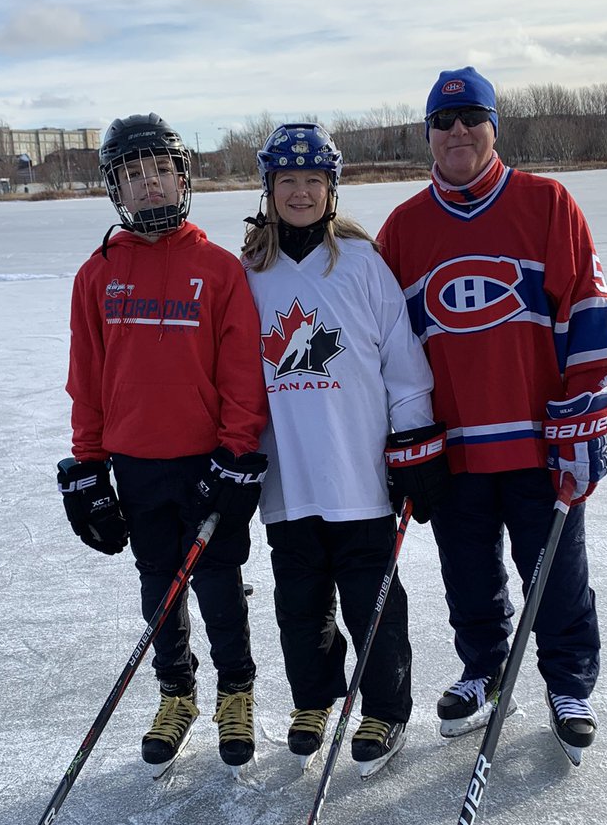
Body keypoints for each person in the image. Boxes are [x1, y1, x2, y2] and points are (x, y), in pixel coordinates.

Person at [378, 68, 607, 762]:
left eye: (471, 119)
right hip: (452, 446)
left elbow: (588, 315)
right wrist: (399, 439)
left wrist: (587, 418)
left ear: (493, 128)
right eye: (443, 123)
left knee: (557, 573)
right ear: (428, 135)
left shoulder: (546, 204)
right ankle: (483, 670)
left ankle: (568, 682)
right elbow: (387, 348)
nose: (457, 133)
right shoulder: (404, 229)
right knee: (467, 573)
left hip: (539, 439)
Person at [58, 112, 268, 774]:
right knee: (159, 589)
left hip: (206, 464)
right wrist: (88, 466)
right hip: (135, 465)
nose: (148, 184)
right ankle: (176, 695)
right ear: (115, 186)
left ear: (183, 177)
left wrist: (238, 454)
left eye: (159, 171)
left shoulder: (218, 270)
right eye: (132, 174)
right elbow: (87, 378)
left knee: (217, 585)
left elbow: (241, 375)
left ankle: (237, 693)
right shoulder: (97, 275)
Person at [241, 123, 447, 778]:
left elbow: (405, 368)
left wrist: (413, 448)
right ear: (268, 189)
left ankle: (384, 708)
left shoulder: (362, 265)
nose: (300, 193)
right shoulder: (249, 273)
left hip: (359, 476)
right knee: (299, 602)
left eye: (313, 181)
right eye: (287, 181)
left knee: (371, 603)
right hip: (288, 478)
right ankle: (313, 700)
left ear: (332, 190)